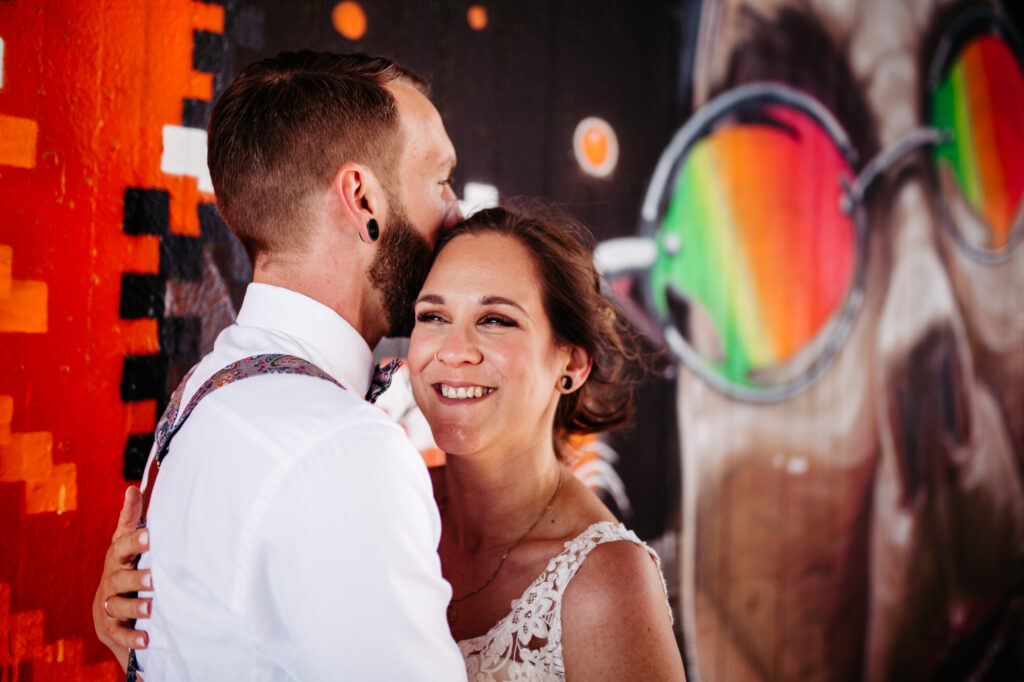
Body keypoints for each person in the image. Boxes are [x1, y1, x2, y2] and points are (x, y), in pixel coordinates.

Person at [96, 205, 688, 680]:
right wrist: (144, 629)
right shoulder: (368, 501)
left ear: (572, 364)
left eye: (496, 320)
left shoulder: (609, 583)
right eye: (432, 317)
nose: (453, 351)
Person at [92, 50, 467, 680]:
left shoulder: (207, 390)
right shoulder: (345, 449)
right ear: (363, 199)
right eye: (441, 182)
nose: (457, 213)